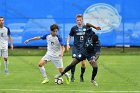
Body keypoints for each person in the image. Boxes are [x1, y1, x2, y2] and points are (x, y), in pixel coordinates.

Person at [67, 14, 101, 82]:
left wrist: (95, 28)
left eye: (80, 20)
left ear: (82, 20)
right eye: (77, 20)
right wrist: (67, 44)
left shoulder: (86, 28)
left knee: (83, 63)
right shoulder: (74, 28)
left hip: (84, 48)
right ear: (76, 20)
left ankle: (81, 75)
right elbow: (70, 36)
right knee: (73, 61)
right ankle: (72, 76)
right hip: (76, 47)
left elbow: (93, 34)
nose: (79, 21)